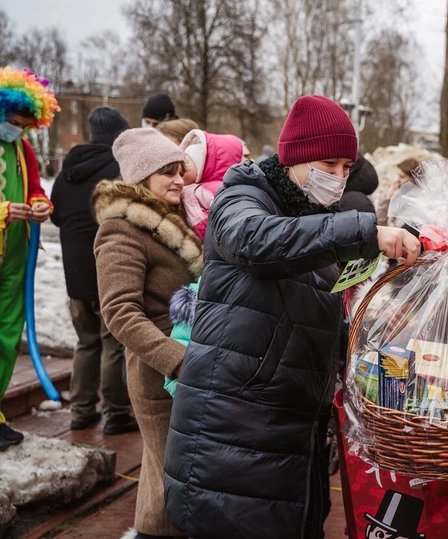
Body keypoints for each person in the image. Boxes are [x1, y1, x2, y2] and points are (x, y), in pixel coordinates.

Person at [163, 95, 420, 539]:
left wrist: (364, 337)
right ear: (295, 158)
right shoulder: (243, 198)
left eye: (346, 167)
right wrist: (366, 231)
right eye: (329, 164)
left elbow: (305, 319)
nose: (338, 178)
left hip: (291, 438)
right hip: (233, 435)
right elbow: (257, 242)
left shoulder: (316, 219)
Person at [94, 127, 202, 538]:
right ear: (141, 177)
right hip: (160, 373)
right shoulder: (122, 230)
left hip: (182, 366)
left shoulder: (170, 218)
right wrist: (177, 360)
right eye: (166, 172)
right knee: (169, 478)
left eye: (179, 169)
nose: (178, 179)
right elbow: (119, 312)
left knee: (166, 477)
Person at [50, 106, 137, 435]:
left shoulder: (68, 169)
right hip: (107, 269)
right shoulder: (119, 167)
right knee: (113, 342)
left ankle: (82, 410)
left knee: (86, 342)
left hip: (75, 277)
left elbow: (56, 215)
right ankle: (116, 413)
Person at [0, 66, 58, 451]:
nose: (19, 129)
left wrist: (40, 205)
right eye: (13, 122)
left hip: (16, 257)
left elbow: (37, 188)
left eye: (24, 124)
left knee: (6, 336)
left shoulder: (23, 147)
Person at [179, 128, 245, 239]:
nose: (181, 167)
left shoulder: (212, 189)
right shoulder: (187, 186)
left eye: (186, 163)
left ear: (202, 167)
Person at [376, 157, 421, 227]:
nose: (397, 180)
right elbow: (379, 221)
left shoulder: (415, 202)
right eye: (398, 176)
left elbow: (394, 227)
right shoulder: (397, 193)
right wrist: (388, 198)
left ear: (413, 180)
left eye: (402, 177)